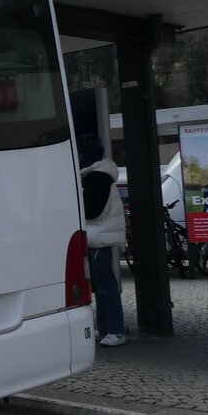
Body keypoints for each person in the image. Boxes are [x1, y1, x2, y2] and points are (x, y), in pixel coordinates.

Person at [79, 134, 126, 347]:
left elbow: (91, 212)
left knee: (105, 286)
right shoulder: (98, 176)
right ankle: (106, 328)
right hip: (99, 236)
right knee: (101, 286)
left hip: (99, 237)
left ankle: (115, 330)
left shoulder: (96, 178)